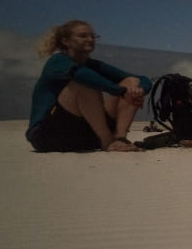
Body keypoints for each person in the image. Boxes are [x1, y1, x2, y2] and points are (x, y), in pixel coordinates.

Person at [27, 19, 150, 152]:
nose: (90, 39)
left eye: (93, 36)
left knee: (131, 82)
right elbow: (83, 75)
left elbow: (142, 79)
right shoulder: (58, 61)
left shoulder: (93, 65)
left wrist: (138, 91)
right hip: (49, 135)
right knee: (84, 85)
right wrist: (121, 92)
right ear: (65, 41)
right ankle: (108, 142)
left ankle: (120, 138)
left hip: (84, 134)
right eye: (83, 36)